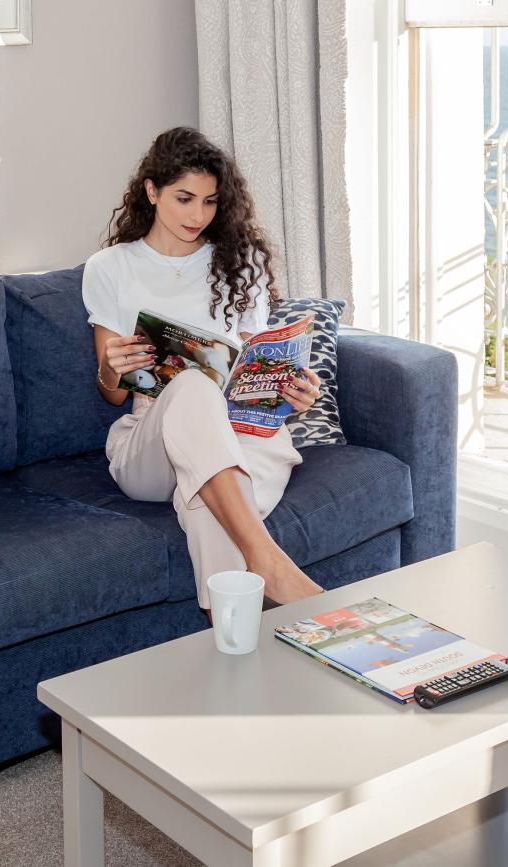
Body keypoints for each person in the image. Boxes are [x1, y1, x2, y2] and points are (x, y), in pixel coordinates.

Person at [82, 126, 326, 615]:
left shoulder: (241, 262)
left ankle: (236, 654)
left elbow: (257, 365)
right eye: (184, 198)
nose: (198, 216)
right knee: (193, 383)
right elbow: (112, 394)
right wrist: (113, 370)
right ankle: (268, 562)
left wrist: (295, 391)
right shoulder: (110, 267)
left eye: (210, 202)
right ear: (151, 191)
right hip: (149, 443)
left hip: (244, 433)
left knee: (203, 506)